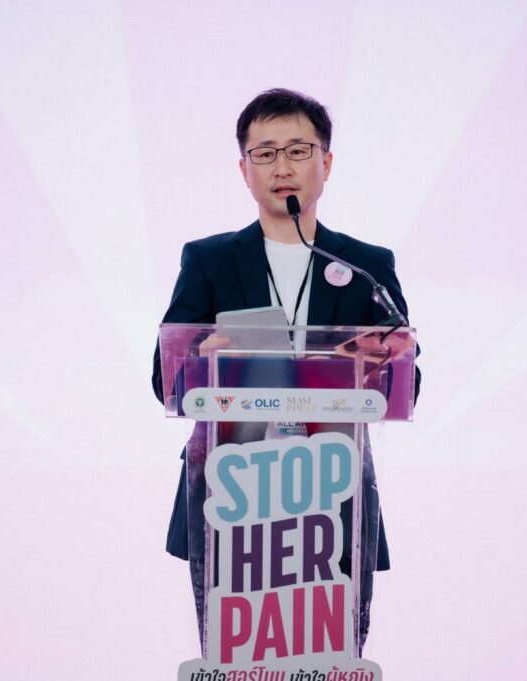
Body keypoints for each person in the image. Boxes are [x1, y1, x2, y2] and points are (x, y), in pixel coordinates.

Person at [151, 88, 419, 655]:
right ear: (244, 170)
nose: (282, 167)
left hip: (332, 489)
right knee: (240, 654)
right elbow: (166, 379)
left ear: (326, 163)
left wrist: (373, 364)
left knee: (328, 654)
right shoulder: (209, 259)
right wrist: (204, 357)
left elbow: (407, 378)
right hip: (231, 487)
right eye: (265, 153)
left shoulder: (365, 265)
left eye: (298, 150)